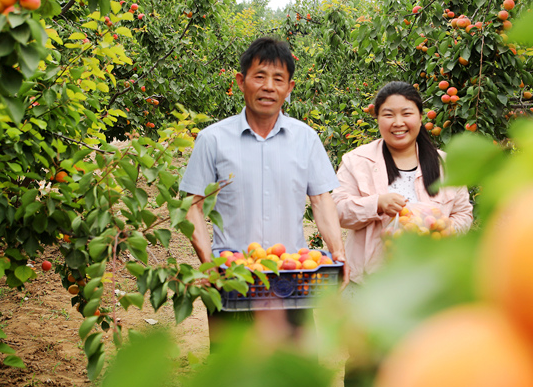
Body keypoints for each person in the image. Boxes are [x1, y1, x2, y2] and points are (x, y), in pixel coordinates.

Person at [179, 37, 348, 343]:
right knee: (232, 373)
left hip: (292, 277)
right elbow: (192, 205)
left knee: (292, 372)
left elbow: (322, 201)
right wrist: (208, 263)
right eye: (260, 76)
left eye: (278, 79)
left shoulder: (306, 139)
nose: (269, 86)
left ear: (289, 88)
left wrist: (338, 252)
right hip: (231, 278)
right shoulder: (213, 139)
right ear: (241, 82)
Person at [332, 81, 473, 286]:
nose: (398, 122)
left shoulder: (446, 165)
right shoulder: (357, 161)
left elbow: (463, 214)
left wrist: (442, 229)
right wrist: (377, 204)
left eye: (406, 114)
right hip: (370, 285)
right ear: (377, 118)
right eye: (388, 115)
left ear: (420, 117)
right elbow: (338, 211)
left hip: (430, 282)